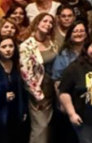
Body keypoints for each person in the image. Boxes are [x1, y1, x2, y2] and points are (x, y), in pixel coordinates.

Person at [19, 13, 58, 143]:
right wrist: (38, 95)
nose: (48, 24)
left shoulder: (51, 42)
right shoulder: (27, 46)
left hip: (53, 89)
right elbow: (27, 75)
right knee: (40, 127)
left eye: (51, 22)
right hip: (38, 92)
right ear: (37, 23)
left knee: (49, 127)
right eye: (45, 21)